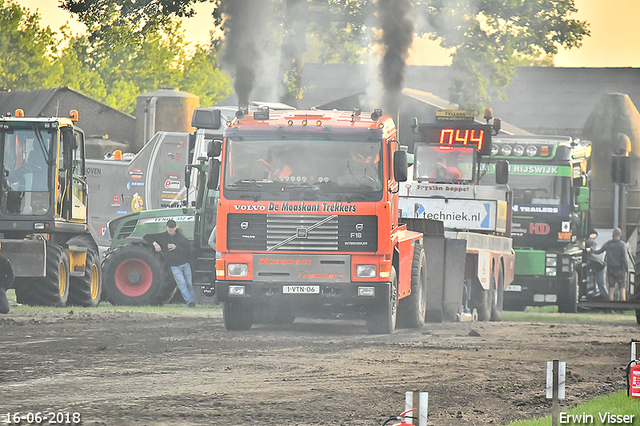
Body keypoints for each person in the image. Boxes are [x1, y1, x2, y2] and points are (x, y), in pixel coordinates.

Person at [144, 219, 196, 307]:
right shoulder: (162, 237)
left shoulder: (181, 238)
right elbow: (146, 236)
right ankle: (190, 302)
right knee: (182, 284)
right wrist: (155, 244)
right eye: (169, 228)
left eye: (172, 228)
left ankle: (193, 301)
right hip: (174, 266)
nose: (171, 230)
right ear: (166, 227)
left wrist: (176, 247)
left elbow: (189, 250)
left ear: (176, 228)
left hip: (185, 264)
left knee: (189, 283)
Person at [592, 227, 629, 301]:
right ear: (619, 235)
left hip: (610, 269)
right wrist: (627, 269)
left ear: (613, 234)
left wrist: (591, 250)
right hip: (620, 270)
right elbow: (625, 258)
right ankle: (622, 309)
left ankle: (610, 307)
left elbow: (599, 251)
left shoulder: (608, 244)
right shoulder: (622, 245)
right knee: (622, 289)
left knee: (611, 289)